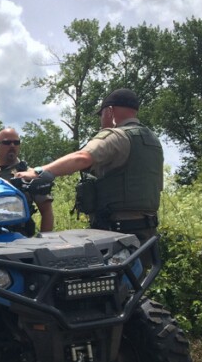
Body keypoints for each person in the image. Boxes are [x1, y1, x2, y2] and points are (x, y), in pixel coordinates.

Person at [15, 88, 163, 263]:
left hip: (118, 233)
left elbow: (82, 158)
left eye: (101, 114)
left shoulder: (117, 136)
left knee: (105, 279)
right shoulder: (152, 141)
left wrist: (37, 172)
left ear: (109, 111)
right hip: (147, 231)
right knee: (139, 277)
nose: (101, 120)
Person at [0, 128, 53, 234]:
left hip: (20, 239)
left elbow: (46, 212)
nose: (12, 146)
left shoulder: (30, 175)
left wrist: (43, 240)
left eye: (16, 142)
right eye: (7, 142)